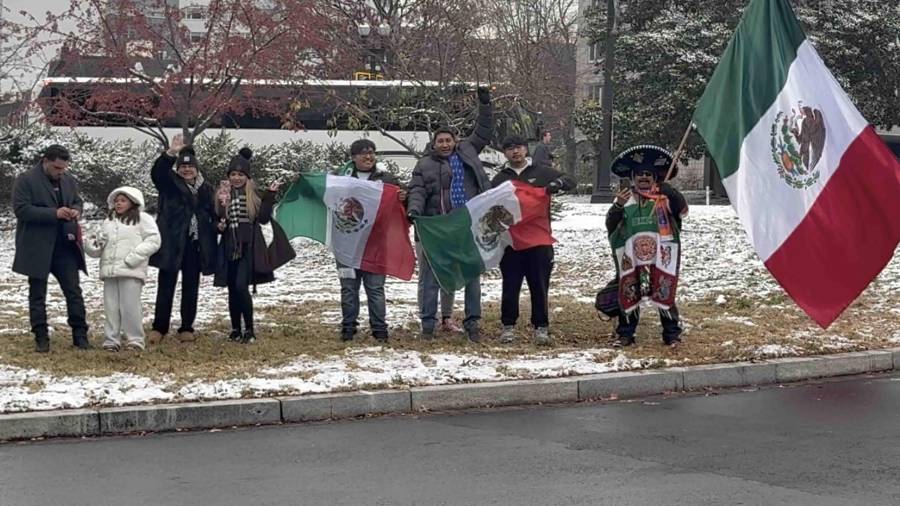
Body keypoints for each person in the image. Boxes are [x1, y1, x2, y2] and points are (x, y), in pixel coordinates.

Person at [407, 87, 493, 343]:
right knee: (431, 278)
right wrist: (414, 210)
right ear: (433, 144)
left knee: (471, 276)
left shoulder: (468, 153)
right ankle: (428, 325)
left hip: (466, 227)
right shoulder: (424, 164)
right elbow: (417, 190)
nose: (445, 144)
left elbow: (484, 130)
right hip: (437, 229)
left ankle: (472, 322)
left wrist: (485, 104)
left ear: (455, 141)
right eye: (440, 141)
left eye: (448, 140)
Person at [491, 135, 576, 346]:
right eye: (510, 148)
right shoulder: (500, 179)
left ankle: (541, 327)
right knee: (510, 285)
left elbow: (571, 181)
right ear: (505, 153)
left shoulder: (541, 172)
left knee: (539, 285)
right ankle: (508, 326)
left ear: (526, 149)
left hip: (539, 240)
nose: (515, 152)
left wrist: (557, 183)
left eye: (519, 147)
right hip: (511, 242)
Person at [606, 145, 688, 348]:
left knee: (664, 289)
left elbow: (682, 211)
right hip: (632, 255)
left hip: (661, 255)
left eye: (648, 174)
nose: (644, 177)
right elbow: (611, 225)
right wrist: (617, 206)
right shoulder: (625, 198)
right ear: (633, 178)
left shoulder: (664, 198)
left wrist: (671, 192)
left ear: (655, 178)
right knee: (628, 290)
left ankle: (672, 334)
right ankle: (625, 334)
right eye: (639, 174)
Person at [12, 144, 90, 352]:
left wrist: (76, 210)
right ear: (45, 161)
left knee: (74, 291)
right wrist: (54, 214)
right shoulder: (26, 180)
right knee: (37, 294)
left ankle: (80, 336)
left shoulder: (68, 180)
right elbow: (21, 210)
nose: (60, 172)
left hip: (65, 246)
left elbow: (77, 201)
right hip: (37, 246)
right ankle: (41, 337)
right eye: (57, 168)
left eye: (63, 168)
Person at [213, 148, 295, 344]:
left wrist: (270, 195)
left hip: (248, 247)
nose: (236, 178)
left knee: (241, 287)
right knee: (232, 289)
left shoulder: (254, 194)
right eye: (233, 174)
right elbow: (216, 219)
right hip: (229, 247)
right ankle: (235, 329)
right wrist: (219, 226)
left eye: (241, 175)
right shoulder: (222, 195)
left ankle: (249, 329)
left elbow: (264, 219)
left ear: (247, 177)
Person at [148, 134, 218, 344]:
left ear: (197, 169)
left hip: (195, 244)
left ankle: (187, 326)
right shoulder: (170, 183)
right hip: (172, 242)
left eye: (190, 167)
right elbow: (158, 173)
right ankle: (159, 327)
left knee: (191, 286)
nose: (187, 170)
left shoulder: (206, 188)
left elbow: (213, 213)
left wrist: (217, 224)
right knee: (165, 286)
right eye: (183, 167)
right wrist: (171, 153)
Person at [334, 139, 402, 342]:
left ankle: (379, 330)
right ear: (353, 157)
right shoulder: (340, 178)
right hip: (346, 244)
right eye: (363, 153)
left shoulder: (387, 179)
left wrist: (404, 197)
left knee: (375, 289)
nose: (368, 156)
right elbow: (322, 192)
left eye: (371, 152)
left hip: (376, 244)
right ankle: (348, 328)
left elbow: (402, 201)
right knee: (348, 288)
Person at [84, 187, 161, 351]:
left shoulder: (143, 218)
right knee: (111, 307)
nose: (118, 204)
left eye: (123, 200)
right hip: (110, 272)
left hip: (131, 270)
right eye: (116, 201)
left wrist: (133, 258)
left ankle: (135, 340)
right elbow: (97, 250)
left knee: (130, 307)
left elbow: (154, 241)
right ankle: (111, 340)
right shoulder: (108, 222)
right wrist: (91, 244)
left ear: (133, 202)